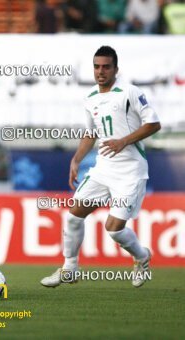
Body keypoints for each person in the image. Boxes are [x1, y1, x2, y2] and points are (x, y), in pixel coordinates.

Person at [40, 46, 160, 288]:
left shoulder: (130, 92)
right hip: (103, 169)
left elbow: (154, 124)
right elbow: (91, 133)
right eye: (96, 67)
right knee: (74, 215)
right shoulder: (90, 98)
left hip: (130, 172)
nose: (100, 71)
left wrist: (123, 141)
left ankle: (142, 257)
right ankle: (69, 268)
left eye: (106, 67)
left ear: (116, 69)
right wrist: (76, 159)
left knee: (114, 230)